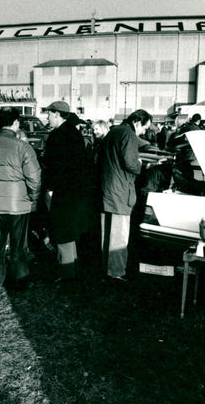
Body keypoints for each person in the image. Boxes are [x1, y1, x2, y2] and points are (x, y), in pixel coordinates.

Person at [0, 108, 41, 290]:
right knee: (18, 247)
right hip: (19, 204)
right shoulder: (23, 147)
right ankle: (20, 281)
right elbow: (34, 178)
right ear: (16, 123)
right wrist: (32, 197)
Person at [100, 109, 151, 281]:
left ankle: (105, 268)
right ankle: (116, 272)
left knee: (106, 233)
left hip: (107, 188)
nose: (143, 132)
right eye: (144, 128)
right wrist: (141, 164)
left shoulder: (113, 131)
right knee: (119, 235)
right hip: (120, 192)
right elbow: (130, 163)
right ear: (138, 122)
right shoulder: (128, 134)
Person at [42, 100, 90, 281]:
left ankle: (66, 271)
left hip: (62, 191)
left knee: (62, 232)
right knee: (69, 230)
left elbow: (55, 167)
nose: (47, 117)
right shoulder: (74, 134)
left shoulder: (58, 136)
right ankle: (72, 266)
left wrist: (50, 188)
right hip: (75, 192)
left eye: (48, 114)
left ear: (56, 114)